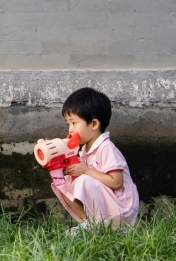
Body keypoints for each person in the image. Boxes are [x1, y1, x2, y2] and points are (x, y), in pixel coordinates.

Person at [51, 87, 139, 231]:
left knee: (84, 180)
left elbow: (116, 182)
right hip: (107, 204)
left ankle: (104, 225)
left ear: (94, 124)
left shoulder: (106, 148)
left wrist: (85, 170)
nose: (70, 130)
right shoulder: (84, 150)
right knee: (62, 184)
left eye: (74, 123)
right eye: (68, 124)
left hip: (121, 207)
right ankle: (91, 224)